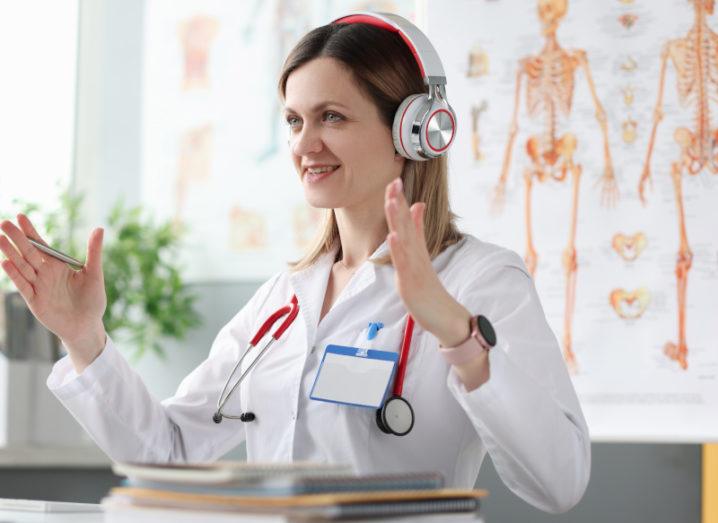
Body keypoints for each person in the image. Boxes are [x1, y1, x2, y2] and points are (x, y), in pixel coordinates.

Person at [0, 13, 590, 514]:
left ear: (414, 132)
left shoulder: (481, 280)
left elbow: (558, 483)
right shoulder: (283, 300)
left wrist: (458, 334)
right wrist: (84, 339)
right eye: (294, 120)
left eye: (331, 116)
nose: (305, 144)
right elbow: (168, 453)